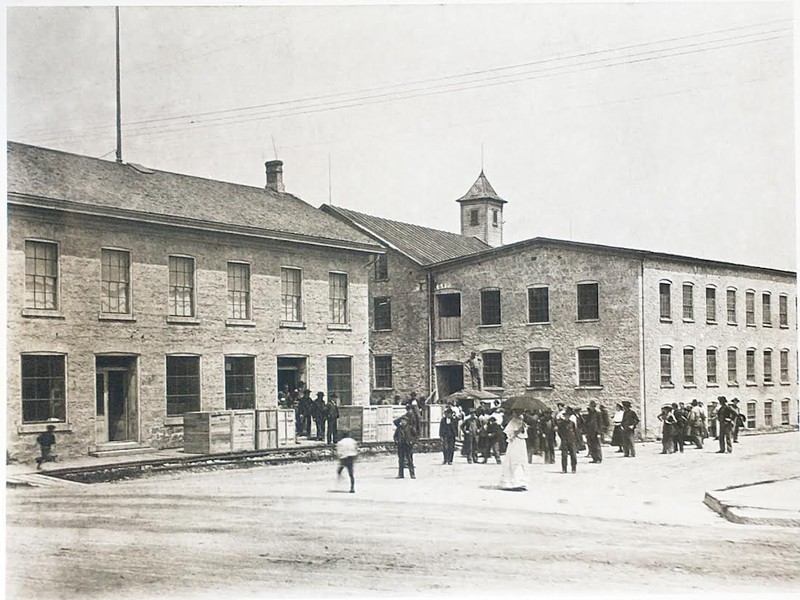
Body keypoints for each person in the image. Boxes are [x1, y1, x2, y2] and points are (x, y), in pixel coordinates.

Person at [499, 409, 529, 490]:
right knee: (514, 461)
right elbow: (511, 434)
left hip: (521, 443)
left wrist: (523, 428)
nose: (519, 414)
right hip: (515, 443)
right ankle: (513, 482)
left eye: (520, 412)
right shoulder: (512, 422)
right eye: (517, 413)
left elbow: (524, 434)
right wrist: (519, 430)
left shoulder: (522, 422)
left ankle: (521, 482)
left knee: (522, 461)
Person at [394, 405, 418, 478]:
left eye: (404, 420)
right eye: (402, 420)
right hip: (401, 445)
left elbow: (415, 436)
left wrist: (412, 442)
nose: (403, 422)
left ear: (407, 421)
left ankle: (412, 474)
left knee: (409, 460)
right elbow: (395, 436)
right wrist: (396, 442)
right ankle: (401, 474)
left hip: (408, 445)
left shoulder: (410, 428)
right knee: (401, 460)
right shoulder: (399, 428)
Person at [556, 407, 579, 473]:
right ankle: (564, 469)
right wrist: (562, 438)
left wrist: (576, 440)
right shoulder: (561, 424)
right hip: (564, 441)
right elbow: (559, 432)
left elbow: (575, 432)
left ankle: (573, 468)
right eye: (566, 416)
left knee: (573, 455)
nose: (567, 417)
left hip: (572, 441)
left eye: (568, 416)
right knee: (564, 455)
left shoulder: (572, 423)